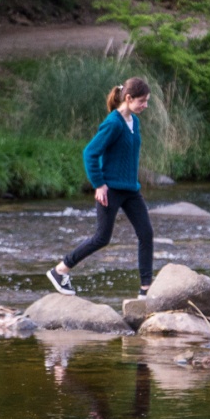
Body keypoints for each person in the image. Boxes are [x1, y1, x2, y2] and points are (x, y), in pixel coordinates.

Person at [47, 77, 155, 298]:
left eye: (146, 101)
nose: (145, 105)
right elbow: (90, 152)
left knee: (146, 234)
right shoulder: (113, 123)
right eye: (142, 101)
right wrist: (99, 184)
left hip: (131, 190)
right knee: (102, 238)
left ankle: (145, 289)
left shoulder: (134, 121)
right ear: (128, 98)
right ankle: (60, 270)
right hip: (111, 190)